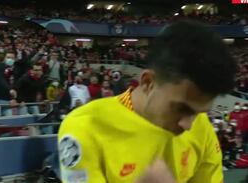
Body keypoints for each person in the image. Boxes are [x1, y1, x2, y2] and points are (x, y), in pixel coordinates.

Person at [58, 21, 236, 183]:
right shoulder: (84, 126)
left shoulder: (200, 124)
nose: (188, 124)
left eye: (199, 112)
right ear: (148, 82)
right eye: (181, 108)